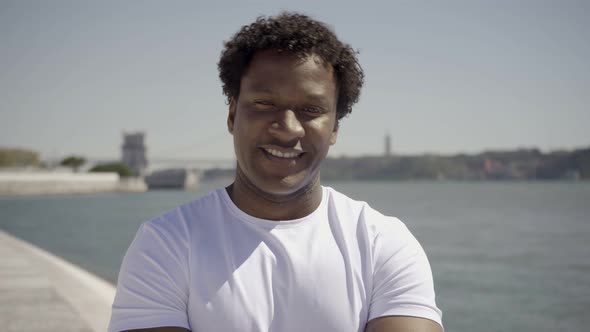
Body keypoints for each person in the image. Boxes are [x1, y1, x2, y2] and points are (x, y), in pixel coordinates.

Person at [109, 12, 443, 332]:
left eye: (311, 110)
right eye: (265, 105)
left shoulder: (383, 244)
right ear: (231, 115)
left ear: (334, 129)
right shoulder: (166, 244)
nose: (286, 129)